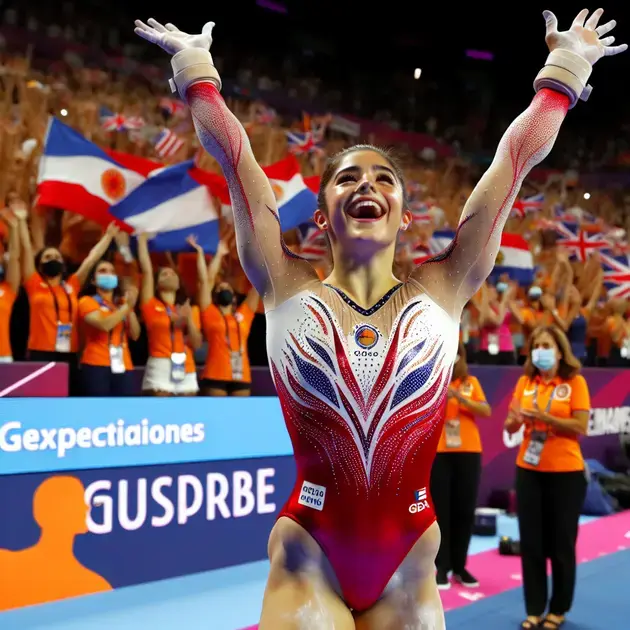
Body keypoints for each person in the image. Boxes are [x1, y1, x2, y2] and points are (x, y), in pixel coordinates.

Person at [135, 9, 624, 629]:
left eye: (383, 178)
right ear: (321, 217)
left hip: (408, 568)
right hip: (310, 555)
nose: (366, 185)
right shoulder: (285, 286)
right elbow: (238, 165)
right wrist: (196, 71)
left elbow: (513, 165)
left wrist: (565, 71)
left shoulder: (445, 287)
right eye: (346, 179)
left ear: (404, 215)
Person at [505, 326, 591, 629]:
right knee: (531, 544)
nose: (541, 350)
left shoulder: (574, 382)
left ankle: (559, 608)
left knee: (561, 544)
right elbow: (511, 425)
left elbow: (580, 426)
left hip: (566, 474)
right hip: (529, 471)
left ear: (559, 350)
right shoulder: (525, 383)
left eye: (547, 345)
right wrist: (515, 421)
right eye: (536, 345)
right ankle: (534, 608)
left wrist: (545, 418)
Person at [431, 341, 491, 591]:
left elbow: (485, 410)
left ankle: (460, 566)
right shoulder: (432, 381)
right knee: (441, 511)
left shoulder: (470, 382)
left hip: (468, 451)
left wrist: (459, 398)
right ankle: (441, 567)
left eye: (457, 353)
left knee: (465, 511)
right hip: (440, 451)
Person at [192, 236, 259, 396]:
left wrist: (258, 257)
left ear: (234, 297)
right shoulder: (210, 312)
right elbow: (206, 280)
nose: (224, 290)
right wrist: (219, 254)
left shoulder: (244, 313)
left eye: (227, 288)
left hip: (241, 376)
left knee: (241, 420)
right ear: (215, 296)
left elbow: (258, 285)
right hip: (215, 374)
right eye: (220, 289)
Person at [137, 233, 202, 396]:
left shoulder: (189, 309)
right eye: (164, 274)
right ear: (157, 284)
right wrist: (142, 241)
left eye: (173, 274)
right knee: (160, 416)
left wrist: (188, 320)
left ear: (179, 283)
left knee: (189, 419)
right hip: (160, 364)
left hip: (186, 365)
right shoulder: (151, 304)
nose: (170, 275)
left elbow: (197, 344)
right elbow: (146, 270)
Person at [77, 260, 141, 396]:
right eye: (103, 271)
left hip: (124, 364)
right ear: (93, 281)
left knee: (124, 409)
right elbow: (104, 325)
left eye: (112, 272)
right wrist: (127, 307)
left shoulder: (122, 304)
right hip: (96, 364)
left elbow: (135, 335)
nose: (108, 274)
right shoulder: (87, 301)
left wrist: (130, 307)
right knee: (98, 410)